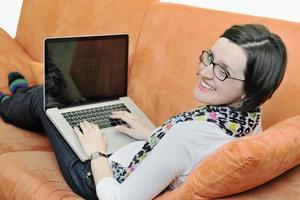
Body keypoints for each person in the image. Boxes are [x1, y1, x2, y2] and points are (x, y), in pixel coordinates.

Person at [0, 24, 287, 200]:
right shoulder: (248, 118)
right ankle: (21, 92)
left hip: (98, 180)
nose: (204, 71)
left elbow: (116, 198)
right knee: (71, 98)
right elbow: (188, 157)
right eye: (209, 57)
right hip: (135, 154)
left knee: (45, 102)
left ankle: (9, 100)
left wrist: (97, 152)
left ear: (251, 90)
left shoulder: (188, 136)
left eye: (221, 70)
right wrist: (152, 134)